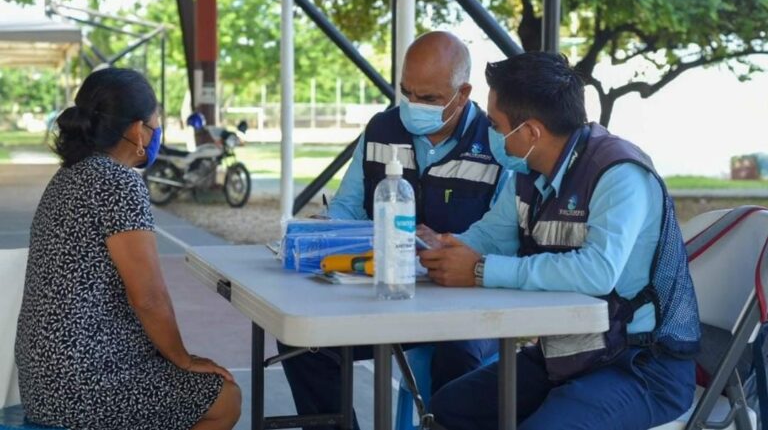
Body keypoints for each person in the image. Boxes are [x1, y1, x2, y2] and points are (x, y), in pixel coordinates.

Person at [418, 52, 701, 430]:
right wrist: (443, 248)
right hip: (569, 354)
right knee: (451, 407)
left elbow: (597, 271)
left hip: (641, 366)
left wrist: (481, 270)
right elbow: (491, 235)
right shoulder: (527, 172)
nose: (491, 133)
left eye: (496, 124)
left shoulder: (619, 173)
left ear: (531, 132)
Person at [278, 31, 503, 430]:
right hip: (384, 289)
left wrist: (456, 247)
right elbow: (346, 208)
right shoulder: (381, 129)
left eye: (429, 98)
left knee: (460, 356)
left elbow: (505, 233)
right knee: (302, 341)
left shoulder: (496, 143)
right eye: (407, 92)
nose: (413, 106)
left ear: (463, 92)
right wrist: (322, 236)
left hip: (462, 299)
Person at [14, 67, 241, 430]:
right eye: (155, 124)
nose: (157, 134)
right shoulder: (118, 183)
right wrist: (182, 359)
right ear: (138, 130)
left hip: (44, 380)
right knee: (224, 399)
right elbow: (148, 296)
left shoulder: (69, 175)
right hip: (84, 385)